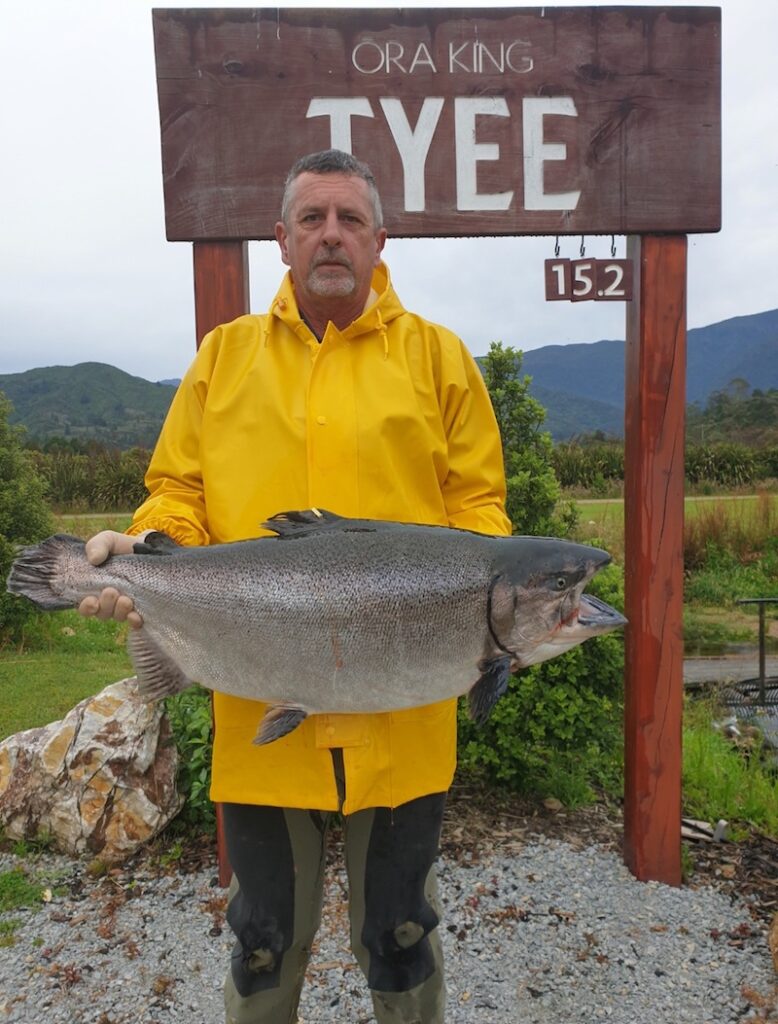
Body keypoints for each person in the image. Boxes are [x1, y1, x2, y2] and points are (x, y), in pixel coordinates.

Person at [79, 149, 511, 1024]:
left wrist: (472, 610)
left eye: (351, 219)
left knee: (401, 934)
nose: (331, 235)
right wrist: (150, 552)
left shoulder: (440, 360)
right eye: (312, 218)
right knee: (262, 938)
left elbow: (482, 517)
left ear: (381, 239)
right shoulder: (223, 359)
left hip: (406, 721)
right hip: (261, 718)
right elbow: (179, 494)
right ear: (280, 238)